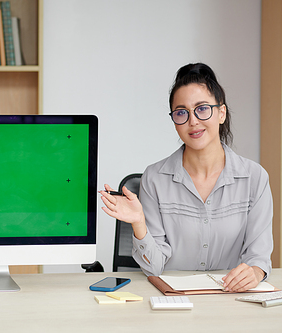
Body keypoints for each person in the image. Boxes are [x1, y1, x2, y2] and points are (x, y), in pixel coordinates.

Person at [99, 63, 273, 292]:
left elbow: (258, 258)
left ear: (221, 113)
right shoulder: (155, 178)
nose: (193, 121)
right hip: (173, 300)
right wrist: (138, 223)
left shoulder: (254, 178)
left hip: (231, 300)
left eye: (202, 109)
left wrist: (254, 272)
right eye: (181, 112)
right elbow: (155, 268)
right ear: (174, 121)